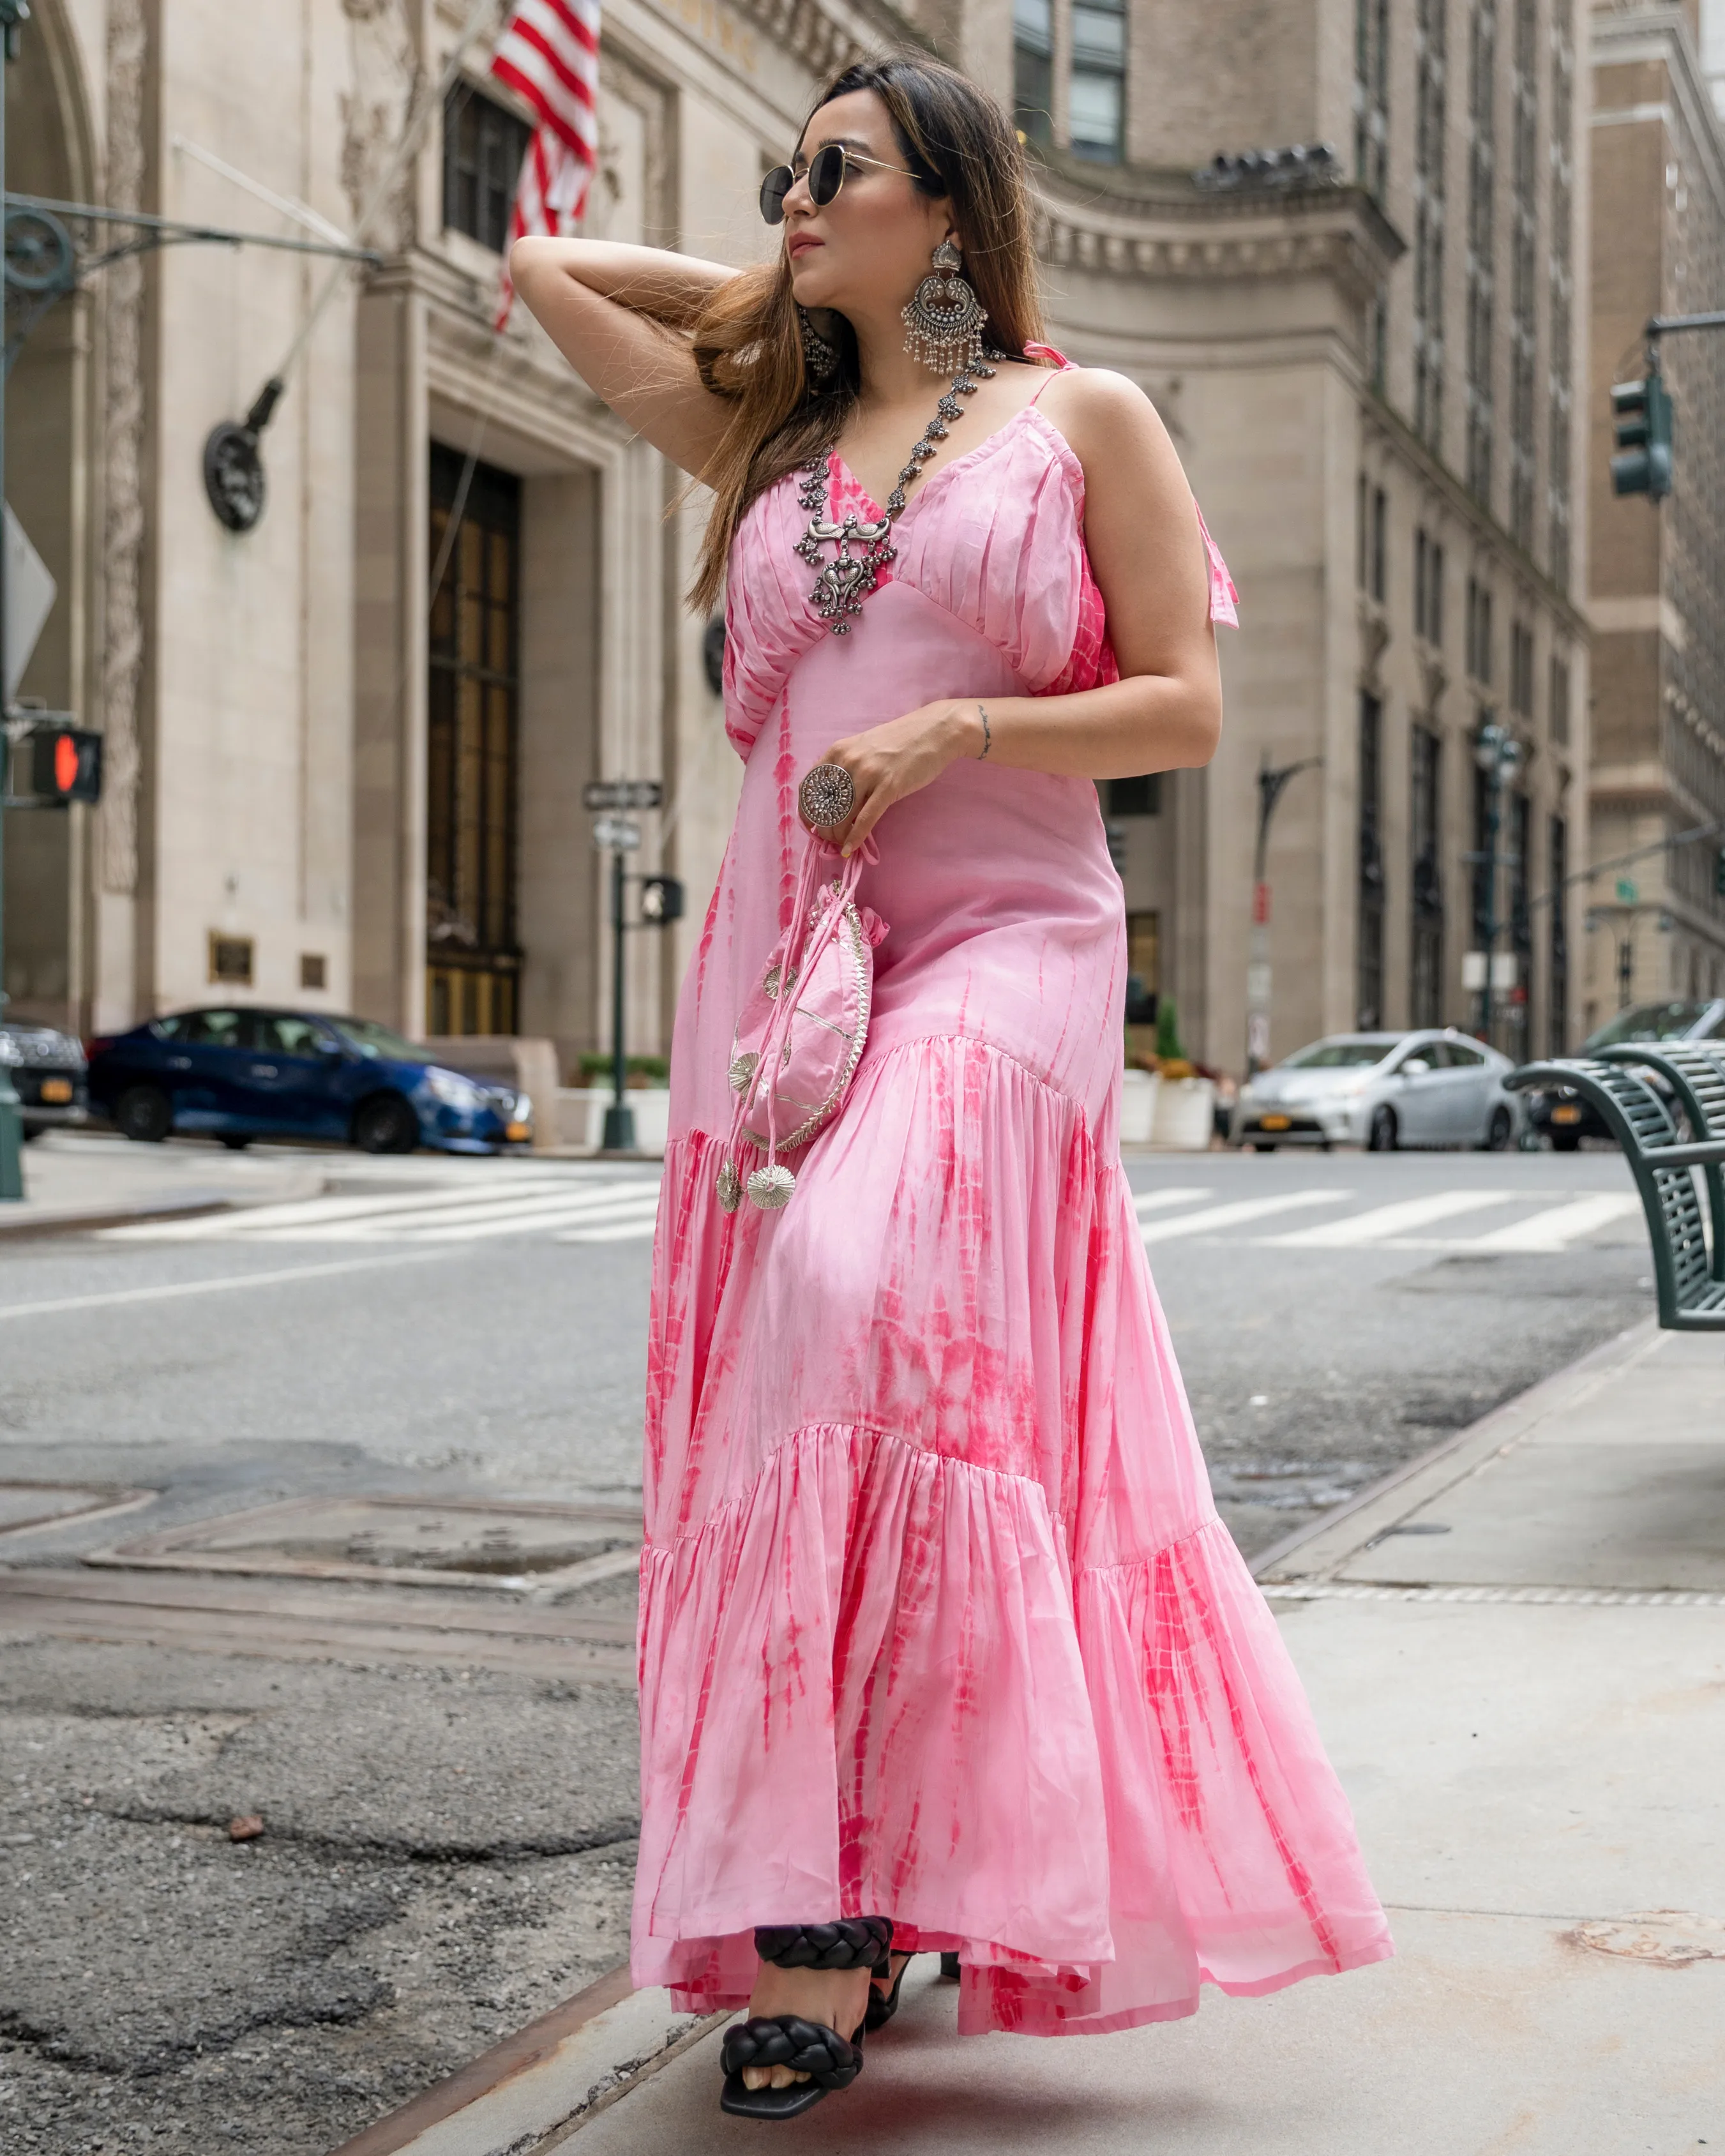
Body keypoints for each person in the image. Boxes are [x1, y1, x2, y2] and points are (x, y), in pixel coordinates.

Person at [513, 51, 1391, 2124]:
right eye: (783, 174)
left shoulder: (1079, 413)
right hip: (789, 953)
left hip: (1010, 945)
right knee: (838, 1390)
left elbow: (1178, 704)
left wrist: (951, 735)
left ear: (950, 206)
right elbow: (550, 271)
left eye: (840, 175)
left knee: (838, 1285)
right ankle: (841, 1909)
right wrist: (776, 279)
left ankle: (899, 1878)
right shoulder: (766, 426)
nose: (797, 201)